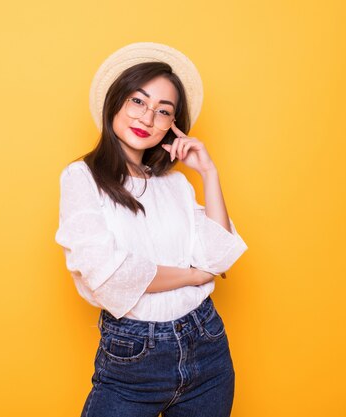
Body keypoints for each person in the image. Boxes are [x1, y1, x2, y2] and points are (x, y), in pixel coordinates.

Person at [54, 42, 248, 417]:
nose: (147, 118)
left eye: (163, 112)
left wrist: (208, 172)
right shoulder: (82, 178)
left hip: (206, 344)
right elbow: (110, 276)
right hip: (132, 357)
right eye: (138, 102)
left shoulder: (174, 184)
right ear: (116, 102)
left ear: (172, 126)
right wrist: (193, 275)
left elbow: (219, 256)